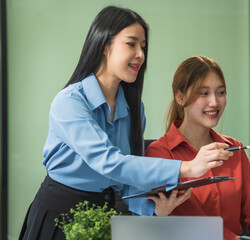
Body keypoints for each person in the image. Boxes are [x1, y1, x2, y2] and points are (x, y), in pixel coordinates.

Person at [19, 7, 232, 240]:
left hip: (106, 215)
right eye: (131, 44)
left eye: (143, 46)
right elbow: (109, 162)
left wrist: (155, 208)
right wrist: (188, 167)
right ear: (104, 45)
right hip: (59, 217)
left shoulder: (133, 107)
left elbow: (127, 178)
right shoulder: (70, 101)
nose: (140, 54)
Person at [146, 56, 250, 240]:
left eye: (220, 92)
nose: (214, 102)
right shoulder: (159, 153)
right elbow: (193, 225)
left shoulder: (234, 150)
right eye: (204, 93)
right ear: (180, 96)